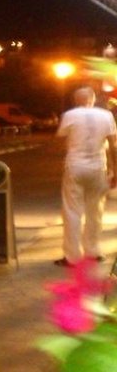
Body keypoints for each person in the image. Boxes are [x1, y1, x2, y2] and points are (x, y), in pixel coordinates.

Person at [54, 86, 117, 267]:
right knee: (95, 211)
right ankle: (93, 251)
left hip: (75, 166)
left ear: (76, 100)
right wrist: (115, 170)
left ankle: (72, 256)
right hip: (98, 167)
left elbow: (61, 138)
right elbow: (113, 145)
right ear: (93, 99)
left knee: (72, 211)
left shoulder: (70, 115)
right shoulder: (106, 115)